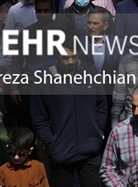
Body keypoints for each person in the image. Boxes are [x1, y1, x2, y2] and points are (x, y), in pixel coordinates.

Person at [31, 40, 108, 187]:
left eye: (74, 56)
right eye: (65, 57)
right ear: (57, 54)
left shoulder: (90, 71)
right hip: (61, 150)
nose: (70, 61)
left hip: (90, 148)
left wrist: (97, 132)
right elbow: (39, 115)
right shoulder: (45, 78)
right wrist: (51, 142)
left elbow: (101, 105)